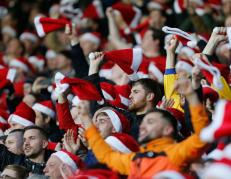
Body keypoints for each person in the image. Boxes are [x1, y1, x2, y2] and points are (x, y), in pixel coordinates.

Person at [80, 77, 209, 177]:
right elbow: (105, 156)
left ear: (168, 129)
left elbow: (203, 137)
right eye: (144, 122)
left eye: (151, 122)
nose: (143, 126)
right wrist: (86, 119)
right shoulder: (134, 159)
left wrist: (192, 97)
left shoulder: (177, 152)